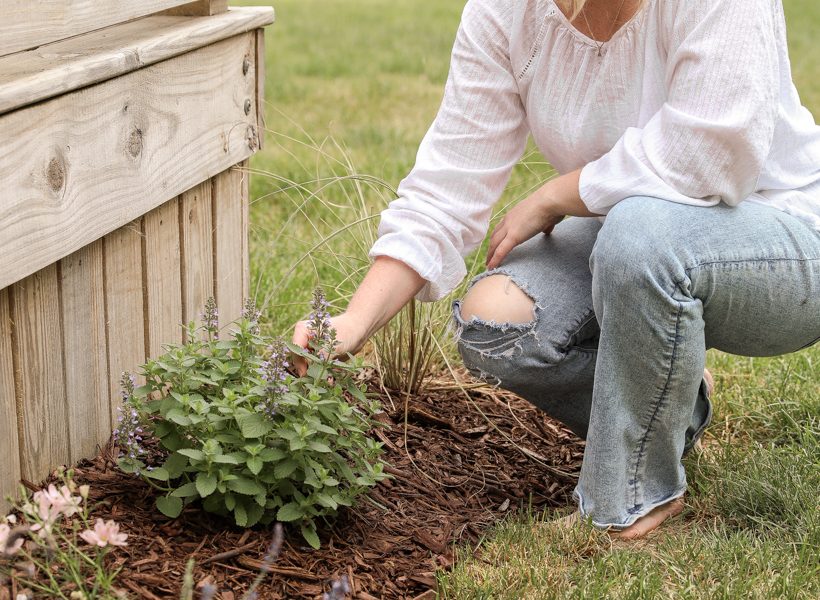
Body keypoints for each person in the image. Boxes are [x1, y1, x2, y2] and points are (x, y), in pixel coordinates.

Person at [292, 0, 820, 538]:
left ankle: (629, 502)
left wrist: (558, 194)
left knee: (638, 233)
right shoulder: (506, 13)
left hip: (784, 235)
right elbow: (447, 186)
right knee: (497, 321)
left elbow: (711, 154)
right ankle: (676, 398)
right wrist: (351, 324)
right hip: (629, 232)